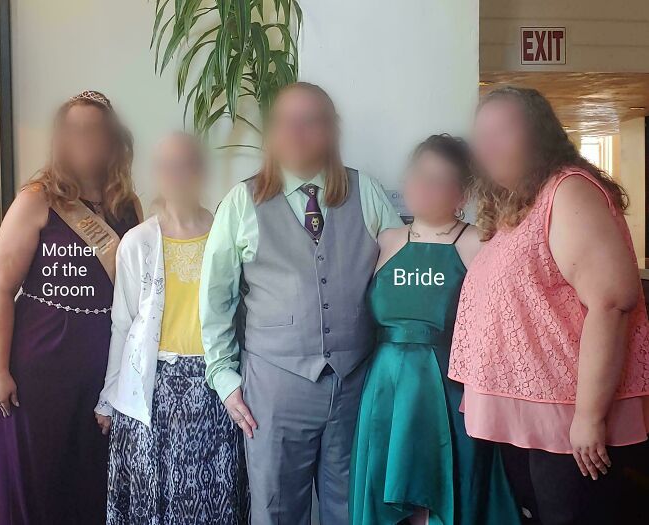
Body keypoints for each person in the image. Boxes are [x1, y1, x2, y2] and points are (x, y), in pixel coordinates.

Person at [200, 82, 403, 524]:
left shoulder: (366, 192)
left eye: (310, 121)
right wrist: (225, 378)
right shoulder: (242, 201)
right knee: (276, 511)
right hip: (274, 390)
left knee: (353, 510)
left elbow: (398, 279)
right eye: (285, 121)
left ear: (331, 130)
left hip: (355, 386)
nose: (296, 131)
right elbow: (215, 298)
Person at [448, 86, 649, 525]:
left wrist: (589, 417)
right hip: (536, 417)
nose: (489, 146)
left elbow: (613, 300)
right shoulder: (523, 203)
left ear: (539, 133)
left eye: (503, 131)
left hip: (570, 421)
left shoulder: (568, 190)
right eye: (482, 136)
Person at [349, 135, 521, 525]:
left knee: (446, 496)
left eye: (438, 180)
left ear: (462, 194)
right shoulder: (385, 241)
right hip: (386, 389)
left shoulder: (479, 243)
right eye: (419, 175)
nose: (424, 187)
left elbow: (501, 327)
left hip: (450, 389)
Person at [0, 91, 141, 525]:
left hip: (102, 372)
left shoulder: (127, 207)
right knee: (42, 483)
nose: (85, 139)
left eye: (95, 130)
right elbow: (1, 289)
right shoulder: (37, 199)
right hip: (40, 371)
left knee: (94, 485)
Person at [94, 132, 249, 525]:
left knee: (216, 500)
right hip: (153, 390)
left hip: (216, 388)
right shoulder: (137, 243)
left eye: (186, 165)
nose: (177, 175)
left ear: (201, 171)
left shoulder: (227, 234)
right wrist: (109, 398)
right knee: (156, 503)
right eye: (167, 166)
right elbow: (123, 325)